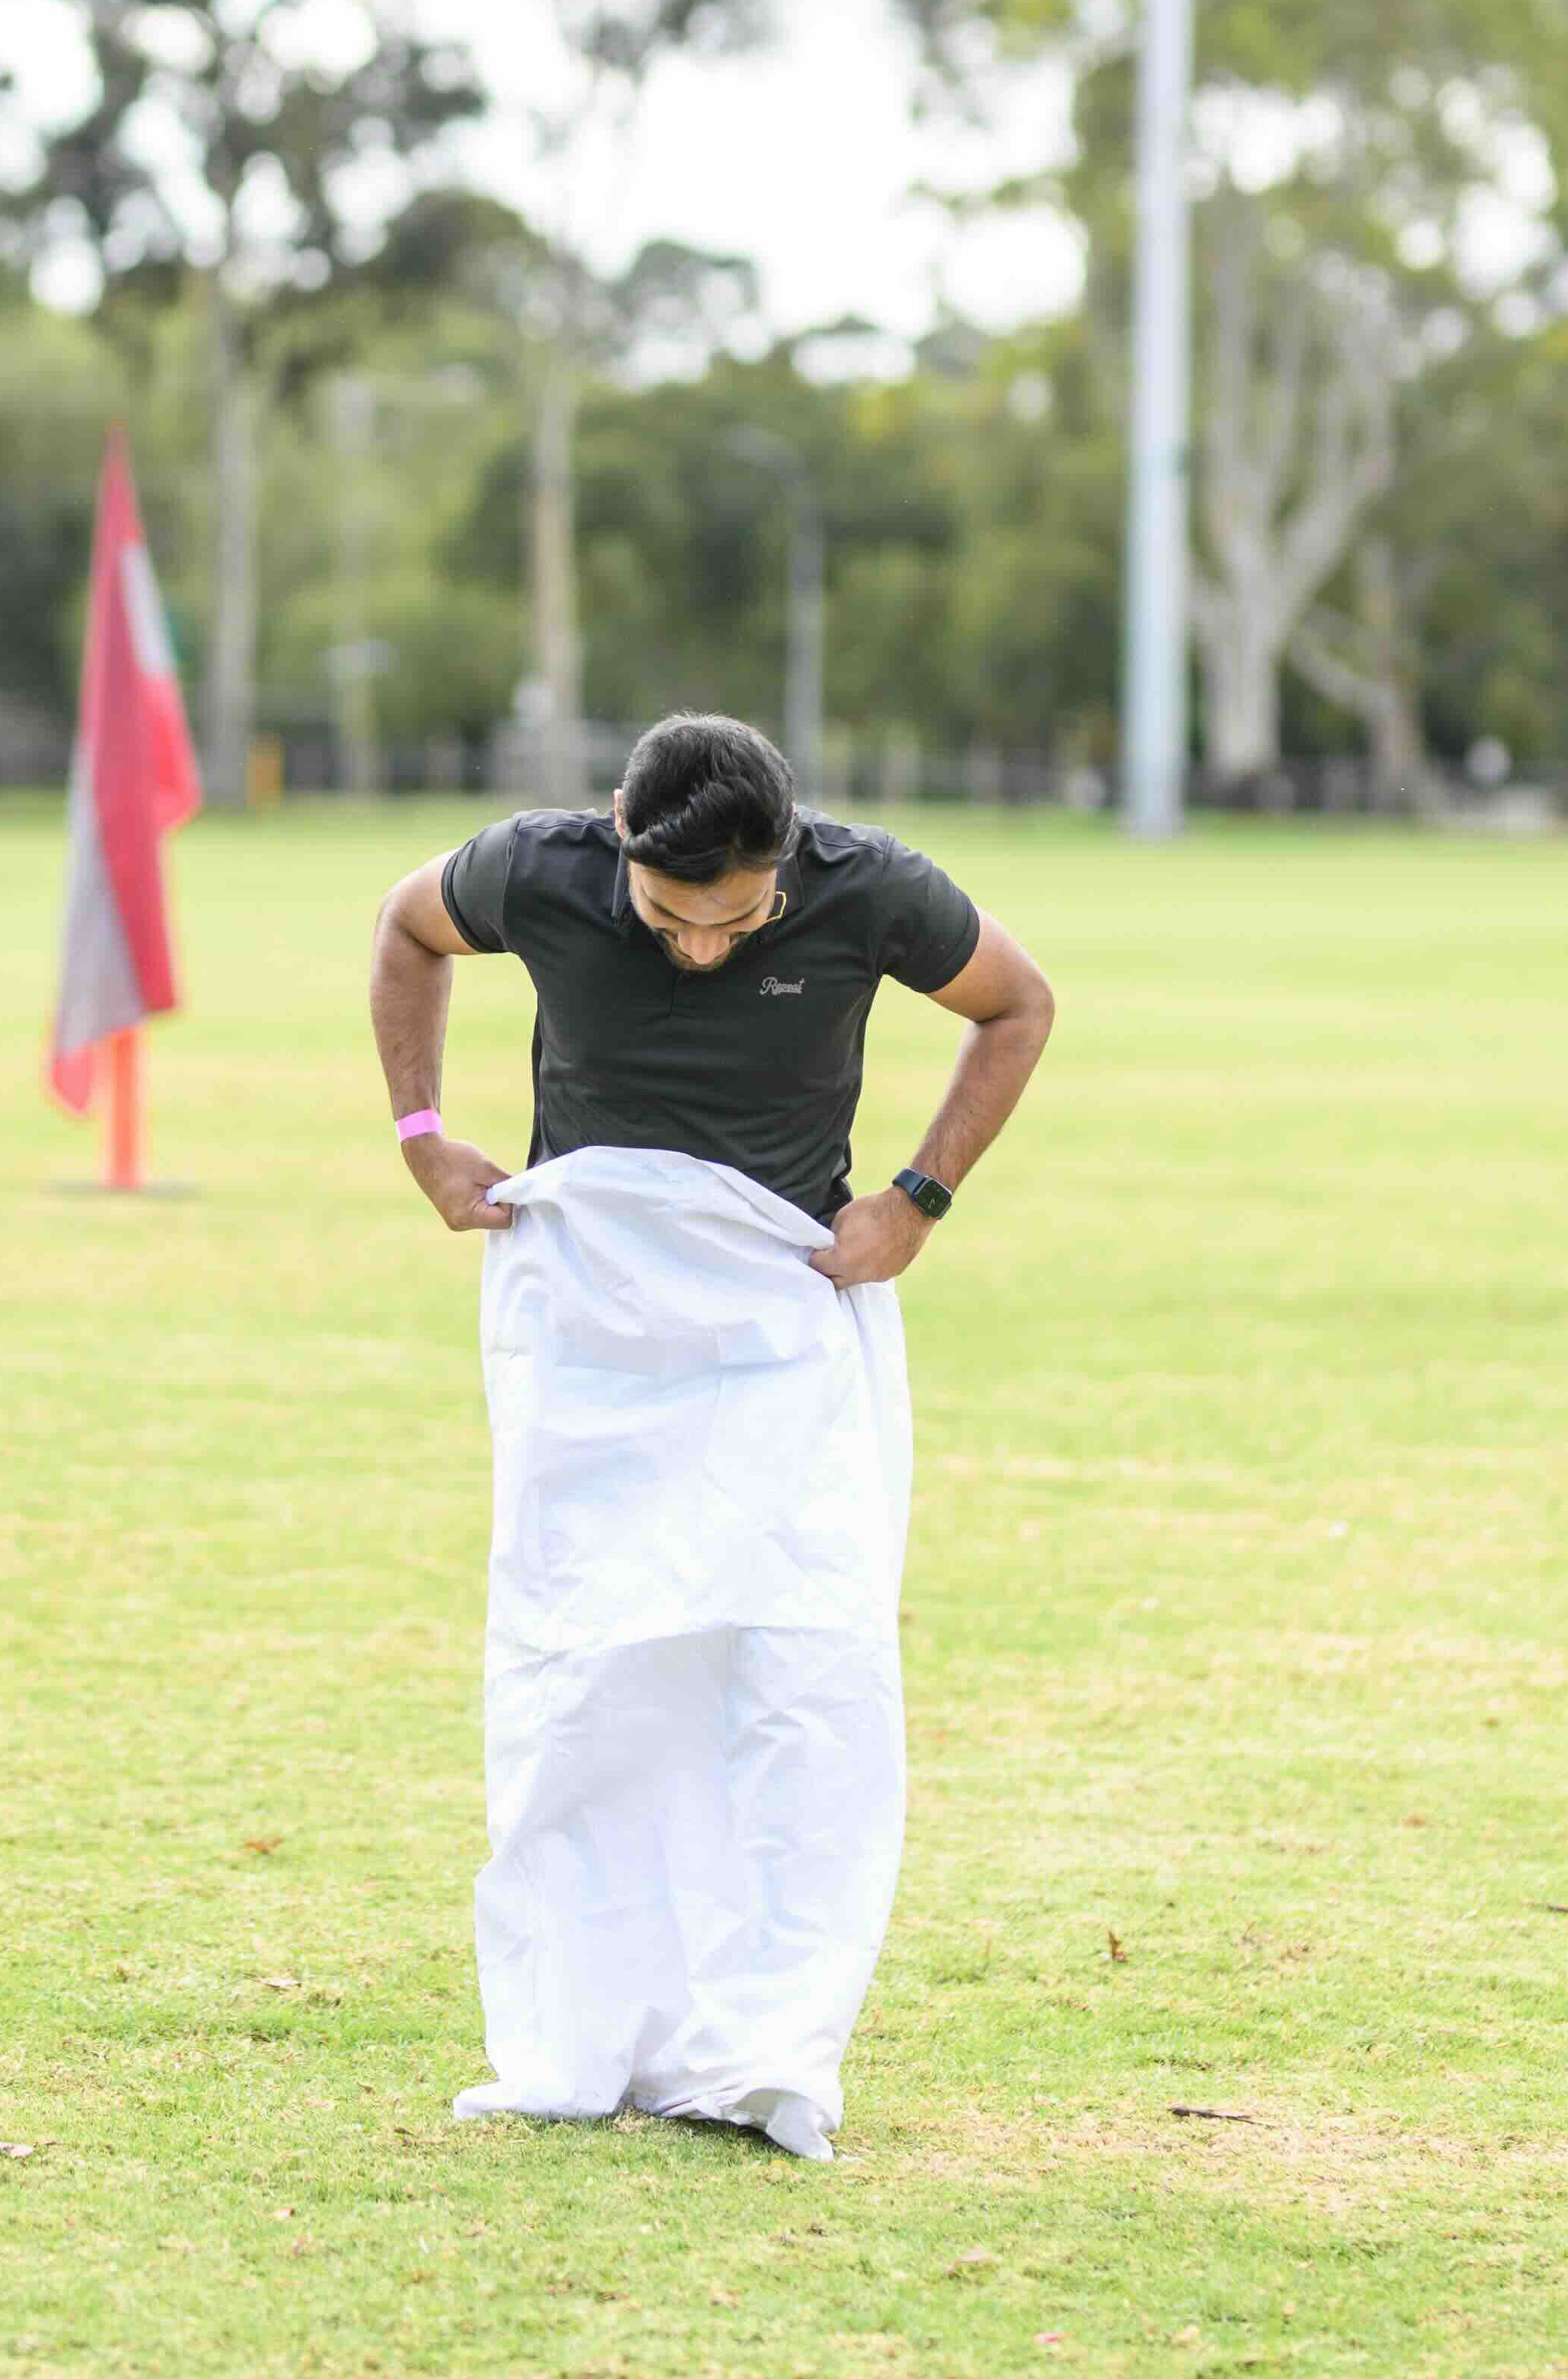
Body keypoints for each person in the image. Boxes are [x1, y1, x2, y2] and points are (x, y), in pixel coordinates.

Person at [368, 710, 1054, 2159]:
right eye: (668, 916)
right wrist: (423, 1135)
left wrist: (920, 1199)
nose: (698, 947)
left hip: (776, 1321)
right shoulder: (537, 869)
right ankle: (575, 2035)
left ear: (785, 864)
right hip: (592, 1332)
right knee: (580, 1668)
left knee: (797, 1666)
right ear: (623, 843)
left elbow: (1019, 1005)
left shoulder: (872, 888)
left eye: (737, 922)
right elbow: (406, 928)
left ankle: (760, 2048)